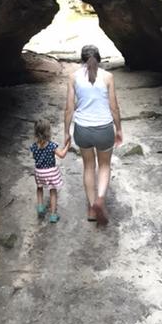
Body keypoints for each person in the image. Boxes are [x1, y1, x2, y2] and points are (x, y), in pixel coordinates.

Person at [64, 45, 123, 225]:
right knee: (104, 166)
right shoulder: (108, 77)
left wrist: (66, 132)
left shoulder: (73, 77)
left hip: (82, 128)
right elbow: (113, 107)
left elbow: (69, 108)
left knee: (88, 167)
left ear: (82, 60)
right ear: (99, 58)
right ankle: (100, 198)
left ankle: (91, 208)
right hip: (104, 128)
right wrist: (119, 129)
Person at [30, 118, 70, 223]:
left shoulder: (34, 146)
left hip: (39, 172)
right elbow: (62, 155)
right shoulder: (51, 145)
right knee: (53, 192)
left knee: (39, 188)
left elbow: (35, 157)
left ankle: (40, 207)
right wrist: (67, 146)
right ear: (48, 132)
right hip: (50, 172)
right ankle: (53, 215)